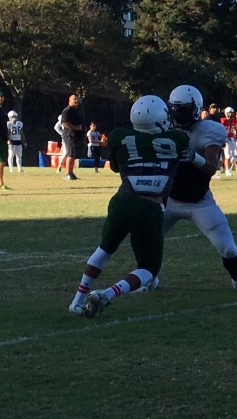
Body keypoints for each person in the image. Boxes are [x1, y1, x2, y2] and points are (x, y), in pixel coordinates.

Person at [68, 95, 189, 317]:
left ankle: (78, 299)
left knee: (104, 249)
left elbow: (114, 166)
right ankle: (108, 294)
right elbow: (181, 156)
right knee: (149, 268)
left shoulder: (120, 137)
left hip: (123, 200)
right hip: (150, 207)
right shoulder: (177, 139)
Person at [160, 85, 237, 293]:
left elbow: (211, 168)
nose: (178, 114)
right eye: (175, 109)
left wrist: (193, 157)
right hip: (169, 199)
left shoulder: (210, 130)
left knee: (229, 248)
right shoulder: (164, 127)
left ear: (195, 109)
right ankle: (149, 278)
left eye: (183, 109)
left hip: (199, 201)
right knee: (147, 238)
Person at [61, 94, 84, 180]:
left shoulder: (76, 110)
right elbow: (64, 123)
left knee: (73, 154)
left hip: (76, 136)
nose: (76, 101)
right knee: (70, 153)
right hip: (69, 135)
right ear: (69, 101)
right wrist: (76, 128)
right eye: (74, 99)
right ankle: (67, 173)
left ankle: (71, 172)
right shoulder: (67, 111)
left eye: (77, 99)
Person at [220, 106, 237, 176]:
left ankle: (229, 169)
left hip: (232, 138)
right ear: (226, 113)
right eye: (229, 113)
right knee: (227, 155)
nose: (231, 114)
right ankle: (227, 170)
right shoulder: (223, 120)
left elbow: (235, 128)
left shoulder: (233, 120)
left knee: (234, 155)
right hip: (226, 138)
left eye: (231, 113)